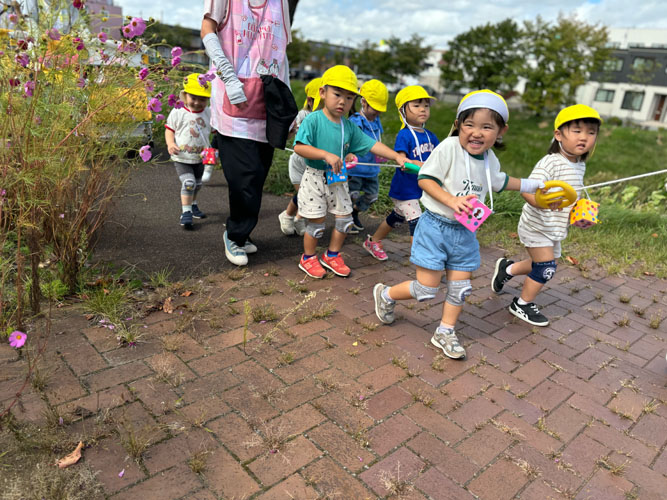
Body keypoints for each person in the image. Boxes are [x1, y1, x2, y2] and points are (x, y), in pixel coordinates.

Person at [373, 90, 544, 359]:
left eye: (487, 127)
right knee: (426, 289)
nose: (476, 133)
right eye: (469, 124)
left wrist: (538, 186)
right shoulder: (448, 148)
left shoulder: (490, 160)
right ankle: (386, 295)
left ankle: (445, 331)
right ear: (458, 125)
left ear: (501, 131)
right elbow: (425, 179)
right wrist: (451, 200)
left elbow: (500, 182)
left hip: (465, 233)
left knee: (460, 288)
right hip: (434, 227)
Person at [491, 104, 602, 326]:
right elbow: (526, 189)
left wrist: (580, 212)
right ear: (558, 134)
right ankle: (521, 304)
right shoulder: (551, 162)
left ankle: (507, 269)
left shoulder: (579, 164)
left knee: (537, 263)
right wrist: (540, 203)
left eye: (591, 133)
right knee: (546, 267)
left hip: (556, 226)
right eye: (577, 131)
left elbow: (571, 195)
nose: (585, 138)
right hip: (537, 224)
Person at [294, 65, 406, 279]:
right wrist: (325, 155)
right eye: (337, 95)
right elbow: (300, 147)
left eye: (349, 98)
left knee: (345, 220)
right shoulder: (313, 120)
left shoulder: (349, 126)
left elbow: (372, 144)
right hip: (315, 178)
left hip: (338, 179)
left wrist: (397, 156)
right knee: (316, 225)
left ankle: (332, 255)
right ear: (322, 93)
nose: (342, 102)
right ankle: (308, 257)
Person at [201, 0, 291, 266]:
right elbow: (208, 29)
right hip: (235, 96)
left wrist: (287, 104)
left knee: (258, 174)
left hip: (268, 100)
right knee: (244, 175)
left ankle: (242, 232)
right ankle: (234, 233)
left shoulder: (280, 3)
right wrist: (228, 77)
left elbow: (282, 52)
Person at [363, 86, 438, 261]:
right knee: (416, 221)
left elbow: (438, 159)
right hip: (405, 189)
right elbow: (402, 159)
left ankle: (373, 241)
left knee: (396, 217)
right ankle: (422, 260)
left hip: (421, 188)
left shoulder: (431, 136)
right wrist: (414, 164)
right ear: (403, 110)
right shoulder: (404, 135)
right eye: (417, 105)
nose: (423, 109)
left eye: (426, 106)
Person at [164, 73, 212, 229]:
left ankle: (193, 205)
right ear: (185, 95)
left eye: (202, 99)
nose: (197, 103)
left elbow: (215, 131)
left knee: (197, 184)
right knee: (189, 183)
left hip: (200, 158)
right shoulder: (178, 111)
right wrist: (170, 144)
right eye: (193, 98)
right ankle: (186, 213)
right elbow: (169, 130)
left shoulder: (208, 113)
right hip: (182, 158)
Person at [278, 77, 322, 236]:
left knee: (309, 195)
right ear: (310, 101)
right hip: (299, 162)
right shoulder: (303, 115)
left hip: (315, 164)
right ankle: (289, 216)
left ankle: (296, 218)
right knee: (304, 194)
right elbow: (293, 134)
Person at [347, 79, 389, 234]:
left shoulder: (376, 120)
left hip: (372, 169)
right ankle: (346, 218)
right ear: (363, 102)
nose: (377, 112)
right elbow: (349, 141)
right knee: (352, 194)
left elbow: (378, 137)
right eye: (375, 108)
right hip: (356, 170)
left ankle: (354, 212)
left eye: (380, 109)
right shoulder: (356, 121)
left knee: (372, 196)